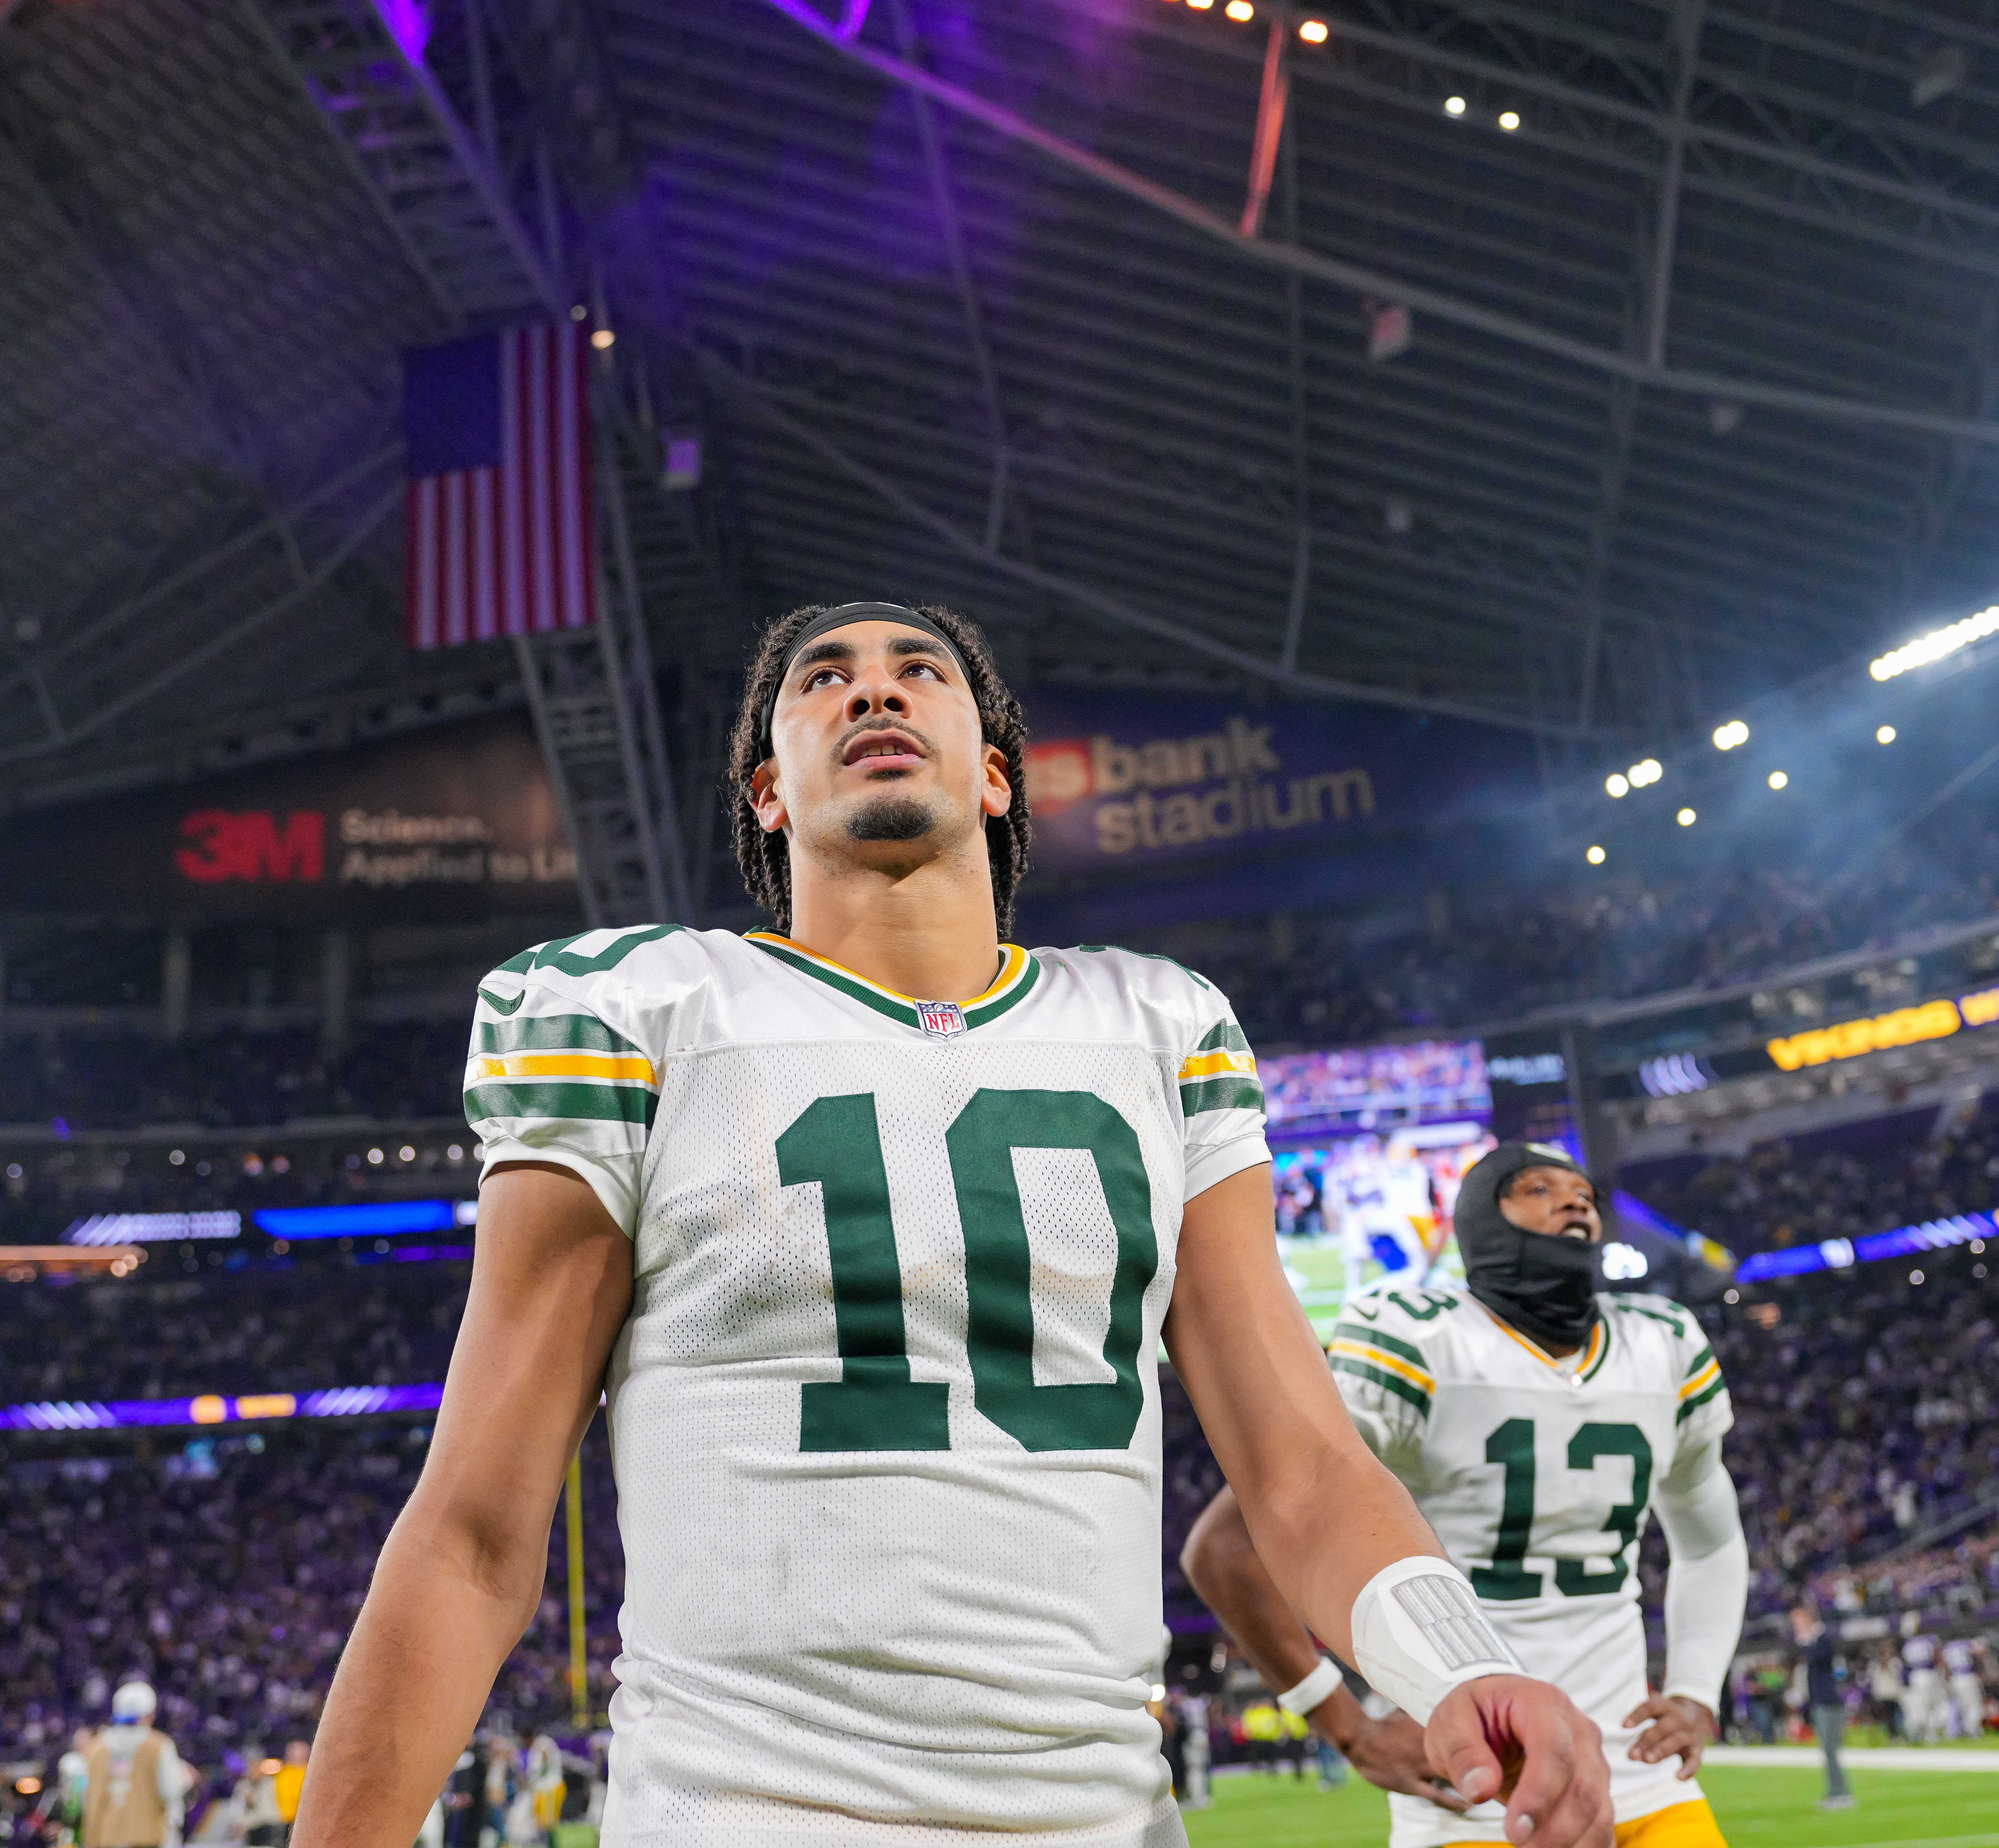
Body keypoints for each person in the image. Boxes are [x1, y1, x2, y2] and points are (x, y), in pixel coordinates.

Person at [298, 603, 1611, 1848]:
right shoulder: (632, 1008)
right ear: (769, 790)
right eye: (822, 677)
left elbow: (1302, 1466)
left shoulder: (1159, 1025)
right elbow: (474, 1527)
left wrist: (1464, 1662)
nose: (872, 682)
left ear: (992, 776)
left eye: (918, 666)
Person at [1181, 1141, 1748, 1848]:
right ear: (1482, 1219)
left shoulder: (1662, 1343)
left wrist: (1695, 1689)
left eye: (1582, 1192)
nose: (1574, 1201)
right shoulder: (1420, 1335)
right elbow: (1226, 1548)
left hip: (1642, 1776)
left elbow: (1712, 1542)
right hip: (1472, 1790)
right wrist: (1345, 1724)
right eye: (1537, 1189)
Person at [81, 1683, 189, 1848]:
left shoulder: (95, 1749)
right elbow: (170, 1791)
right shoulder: (159, 1746)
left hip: (104, 1840)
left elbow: (87, 1800)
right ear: (150, 1715)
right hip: (147, 1840)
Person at [1790, 1608, 1851, 1813]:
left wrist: (1807, 1640)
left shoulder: (1823, 1639)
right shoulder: (1816, 1640)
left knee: (1831, 1751)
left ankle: (1841, 1794)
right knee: (1827, 1752)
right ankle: (1836, 1792)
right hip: (1820, 1702)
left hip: (1829, 1703)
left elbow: (1820, 1658)